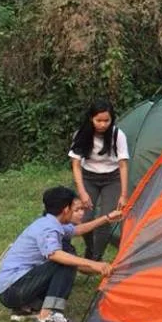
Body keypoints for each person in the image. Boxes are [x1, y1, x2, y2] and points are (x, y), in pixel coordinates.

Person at [0, 186, 123, 322]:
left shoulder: (51, 222)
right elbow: (55, 254)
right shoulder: (48, 228)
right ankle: (48, 317)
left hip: (11, 289)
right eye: (75, 208)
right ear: (66, 209)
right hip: (12, 290)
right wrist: (94, 264)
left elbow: (77, 230)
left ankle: (25, 309)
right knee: (65, 263)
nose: (78, 212)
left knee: (65, 261)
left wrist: (107, 218)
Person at [69, 99, 129, 260]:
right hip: (89, 177)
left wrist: (123, 195)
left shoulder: (118, 135)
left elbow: (123, 165)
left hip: (112, 178)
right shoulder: (81, 134)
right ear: (91, 119)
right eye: (99, 120)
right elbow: (75, 165)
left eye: (106, 120)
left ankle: (96, 257)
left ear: (112, 119)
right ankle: (91, 249)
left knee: (107, 218)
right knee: (84, 218)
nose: (103, 124)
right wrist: (82, 191)